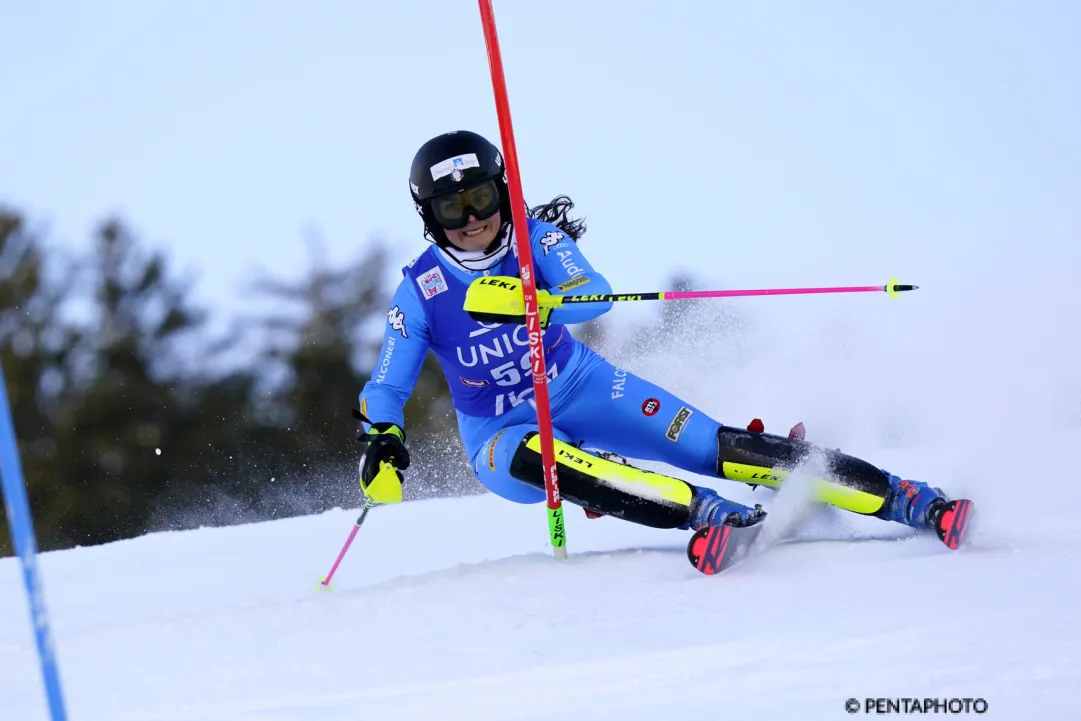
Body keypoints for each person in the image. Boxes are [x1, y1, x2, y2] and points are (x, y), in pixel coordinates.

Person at [355, 129, 973, 548]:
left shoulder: (536, 240)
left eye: (482, 197)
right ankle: (703, 512)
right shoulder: (422, 289)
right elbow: (388, 382)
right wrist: (382, 437)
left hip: (580, 385)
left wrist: (541, 300)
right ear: (429, 218)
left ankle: (909, 499)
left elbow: (592, 291)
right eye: (451, 209)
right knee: (537, 460)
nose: (472, 219)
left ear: (502, 190)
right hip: (498, 435)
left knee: (712, 444)